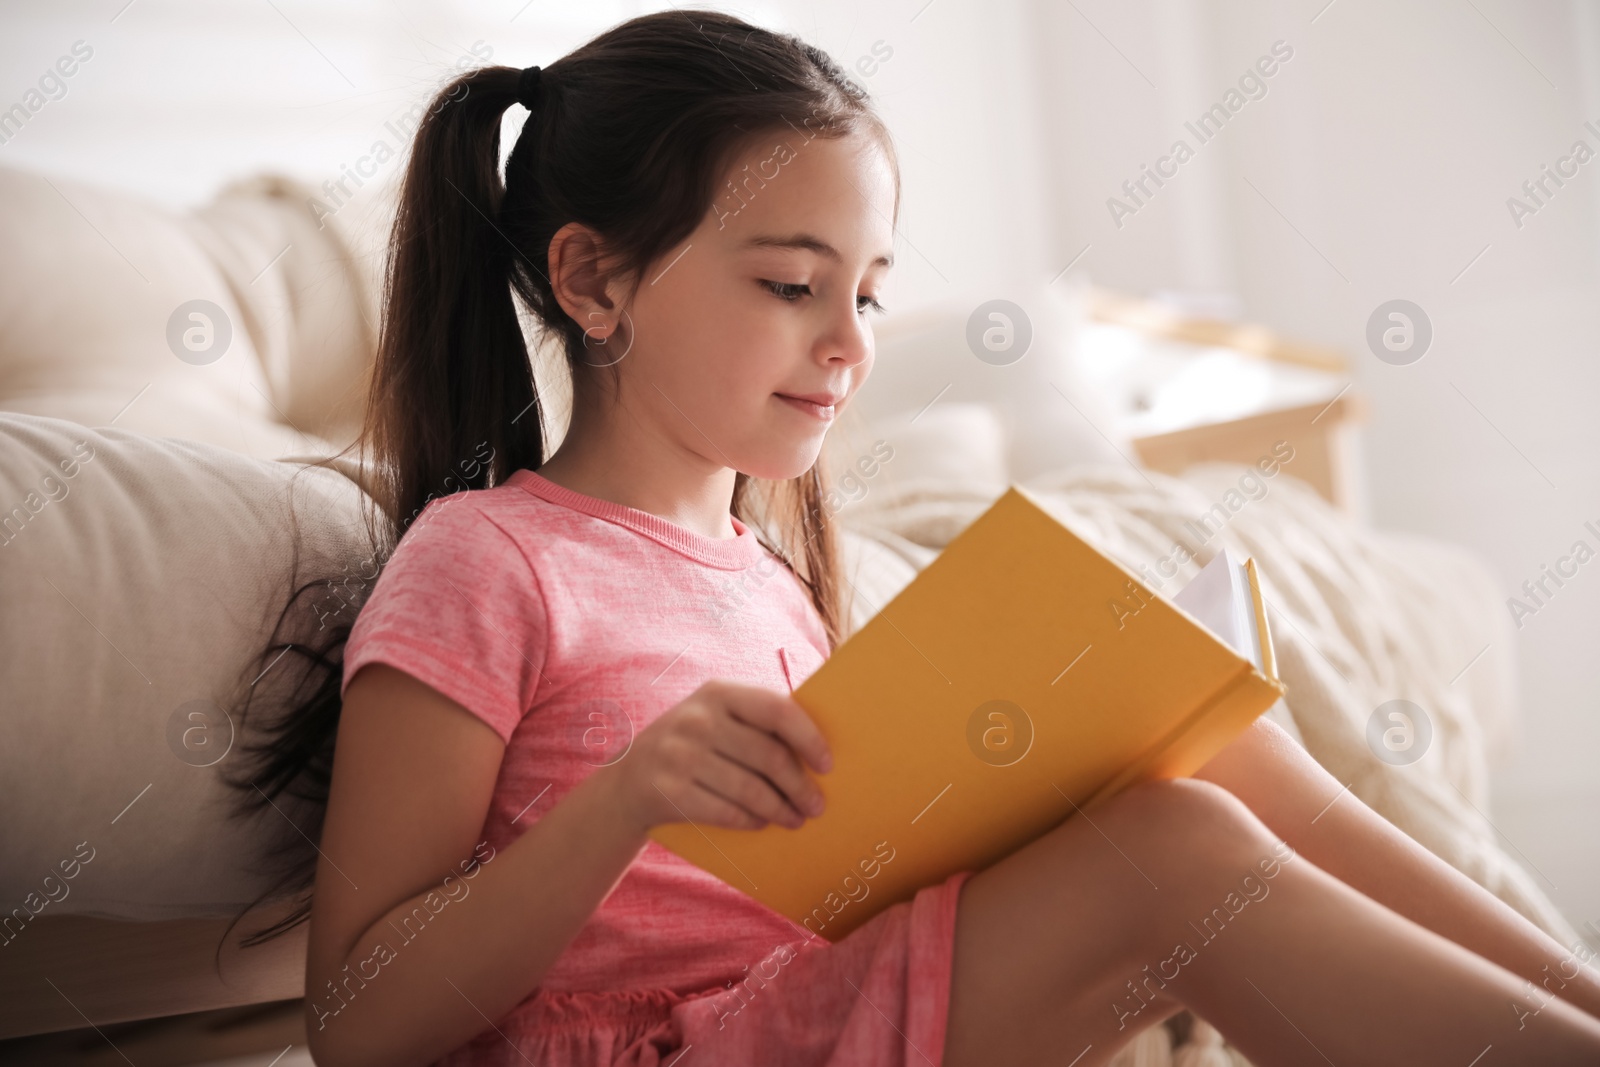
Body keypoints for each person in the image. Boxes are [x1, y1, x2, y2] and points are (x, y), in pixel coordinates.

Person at [238, 10, 1600, 1066]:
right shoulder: (487, 559)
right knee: (1169, 849)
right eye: (790, 285)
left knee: (1211, 743)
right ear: (596, 280)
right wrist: (629, 798)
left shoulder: (776, 581)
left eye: (873, 297)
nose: (847, 346)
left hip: (821, 1006)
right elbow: (357, 1023)